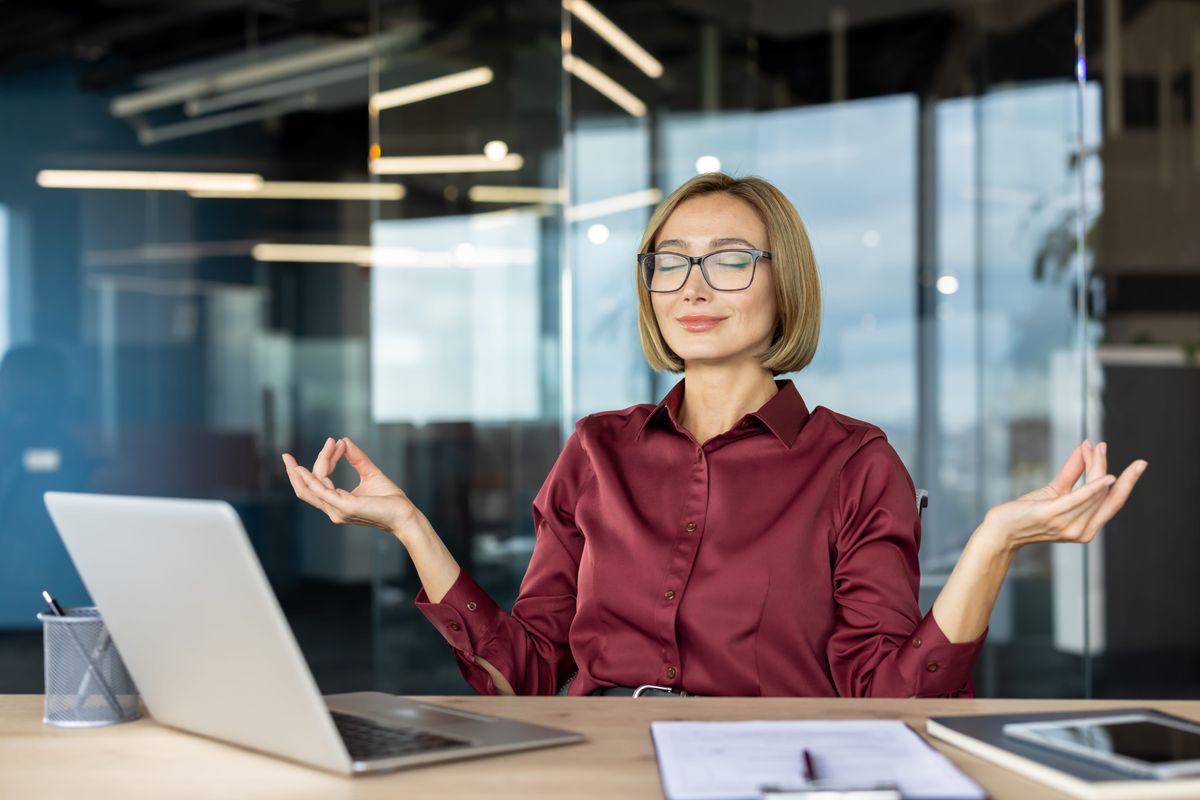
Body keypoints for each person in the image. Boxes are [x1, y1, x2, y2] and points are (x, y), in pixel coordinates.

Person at [282, 172, 1147, 698]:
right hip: (600, 764)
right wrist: (411, 529)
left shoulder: (855, 463)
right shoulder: (596, 449)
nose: (694, 285)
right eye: (670, 260)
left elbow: (885, 692)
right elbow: (531, 674)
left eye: (731, 259)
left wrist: (993, 544)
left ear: (784, 284)